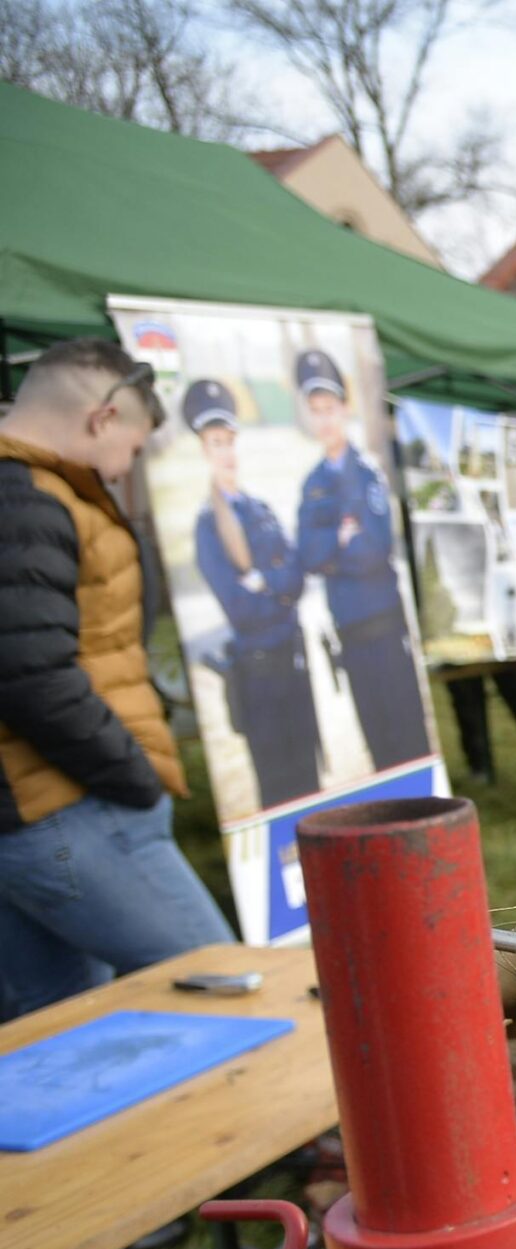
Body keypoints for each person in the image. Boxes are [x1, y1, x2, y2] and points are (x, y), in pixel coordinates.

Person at [0, 340, 237, 1020]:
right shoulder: (27, 499)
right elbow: (29, 676)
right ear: (103, 418)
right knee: (224, 984)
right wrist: (133, 777)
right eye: (133, 446)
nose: (127, 465)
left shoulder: (37, 494)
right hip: (68, 807)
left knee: (63, 1027)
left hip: (37, 811)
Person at [185, 379, 323, 807]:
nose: (226, 452)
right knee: (279, 781)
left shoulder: (258, 508)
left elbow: (297, 577)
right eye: (215, 443)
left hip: (294, 662)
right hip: (259, 673)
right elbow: (241, 608)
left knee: (310, 771)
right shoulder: (209, 526)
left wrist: (268, 581)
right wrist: (273, 583)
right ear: (204, 451)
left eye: (229, 441)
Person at [292, 349, 432, 770]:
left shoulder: (368, 471)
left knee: (407, 733)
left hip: (386, 629)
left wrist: (332, 549)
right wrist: (340, 538)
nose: (324, 420)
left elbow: (374, 550)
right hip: (348, 634)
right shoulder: (313, 483)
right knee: (377, 739)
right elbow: (308, 557)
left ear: (344, 409)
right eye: (315, 411)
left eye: (330, 408)